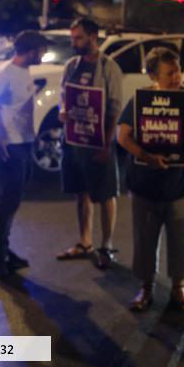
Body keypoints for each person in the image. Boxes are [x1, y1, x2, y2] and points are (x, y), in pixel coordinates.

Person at [117, 47, 184, 313]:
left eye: (178, 70)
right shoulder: (141, 100)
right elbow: (123, 136)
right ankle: (146, 288)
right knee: (145, 240)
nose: (177, 77)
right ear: (152, 74)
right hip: (145, 185)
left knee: (181, 240)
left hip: (179, 185)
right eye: (169, 72)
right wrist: (146, 156)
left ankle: (178, 288)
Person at [0, 30, 50, 278]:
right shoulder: (4, 74)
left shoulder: (23, 72)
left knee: (13, 202)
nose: (44, 55)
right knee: (8, 203)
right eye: (42, 51)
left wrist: (32, 134)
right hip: (9, 149)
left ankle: (3, 250)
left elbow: (17, 108)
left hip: (23, 144)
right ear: (31, 51)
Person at [57, 17, 123, 269]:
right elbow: (65, 96)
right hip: (74, 141)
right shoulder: (71, 65)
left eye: (79, 38)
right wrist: (63, 112)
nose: (74, 42)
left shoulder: (109, 68)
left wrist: (107, 144)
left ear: (94, 37)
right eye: (73, 38)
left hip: (98, 144)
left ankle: (106, 245)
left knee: (105, 194)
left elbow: (115, 108)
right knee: (80, 192)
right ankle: (85, 242)